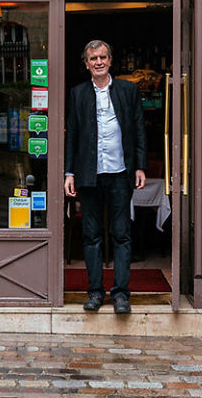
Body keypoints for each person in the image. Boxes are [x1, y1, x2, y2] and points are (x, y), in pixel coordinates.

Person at [64, 40, 146, 314]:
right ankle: (95, 293)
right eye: (93, 58)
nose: (98, 62)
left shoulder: (127, 90)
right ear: (86, 64)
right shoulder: (77, 94)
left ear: (110, 60)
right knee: (91, 236)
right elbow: (72, 134)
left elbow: (138, 129)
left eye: (102, 57)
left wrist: (140, 166)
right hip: (89, 175)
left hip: (121, 173)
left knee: (122, 235)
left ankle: (121, 294)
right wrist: (69, 172)